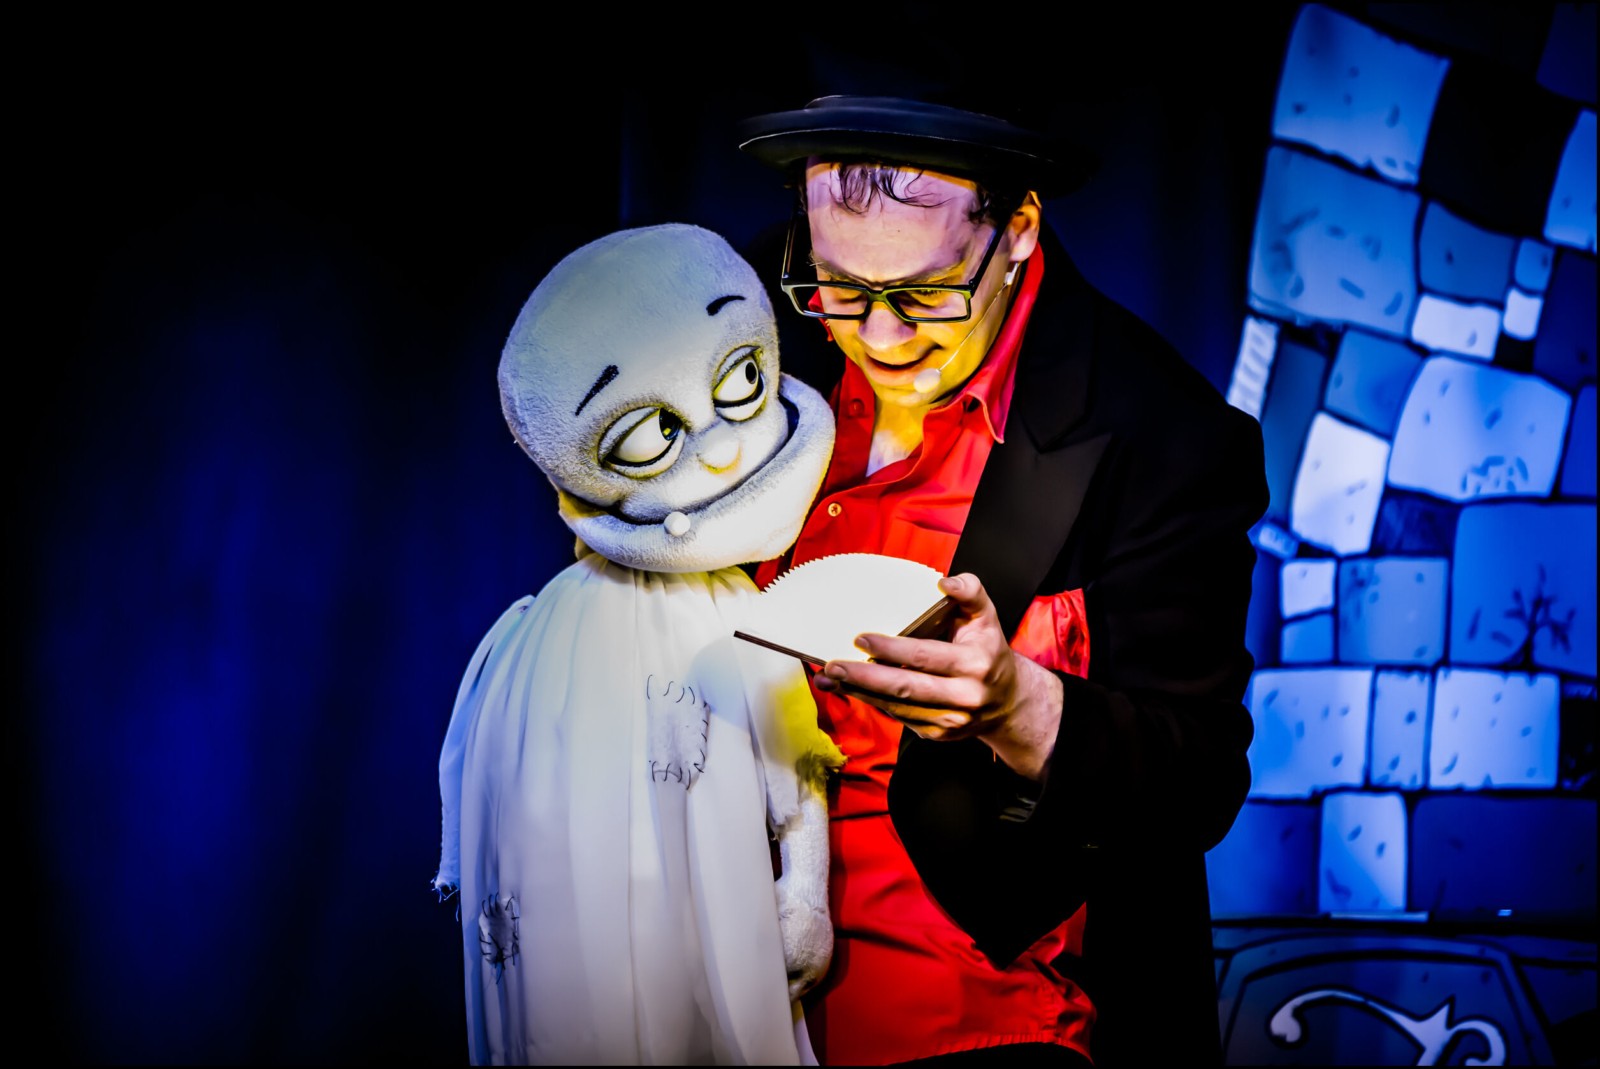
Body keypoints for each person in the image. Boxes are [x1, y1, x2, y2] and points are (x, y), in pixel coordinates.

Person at [732, 92, 1269, 1066]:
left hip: (990, 1025)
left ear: (1017, 229)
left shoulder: (1162, 433)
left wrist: (1021, 707)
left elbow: (1198, 782)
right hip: (725, 998)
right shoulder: (754, 333)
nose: (879, 335)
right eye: (841, 286)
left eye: (926, 293)